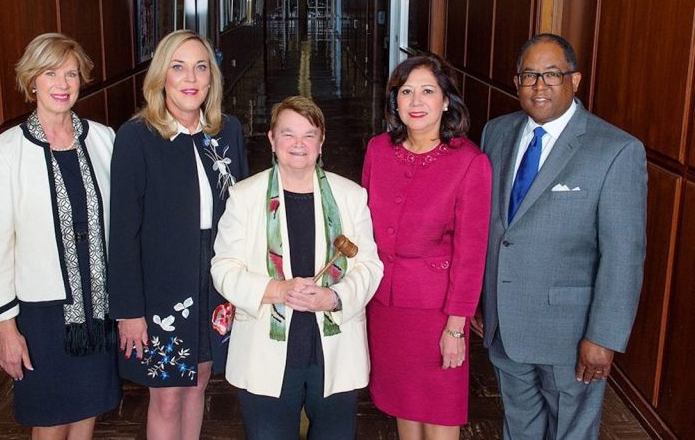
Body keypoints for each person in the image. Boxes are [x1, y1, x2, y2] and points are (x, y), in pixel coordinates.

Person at [473, 33, 647, 439]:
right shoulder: (496, 133)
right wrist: (480, 299)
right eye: (529, 75)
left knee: (571, 432)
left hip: (570, 335)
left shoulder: (615, 150)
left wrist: (603, 337)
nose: (539, 86)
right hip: (504, 324)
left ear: (575, 80)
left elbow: (624, 255)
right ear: (516, 82)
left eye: (552, 74)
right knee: (519, 427)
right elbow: (490, 227)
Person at [211, 96, 383, 440]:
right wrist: (278, 290)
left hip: (334, 351)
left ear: (321, 141)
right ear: (272, 139)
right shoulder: (244, 196)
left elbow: (369, 266)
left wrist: (334, 297)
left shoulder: (351, 196)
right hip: (264, 350)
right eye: (288, 134)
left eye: (309, 134)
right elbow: (224, 268)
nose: (298, 144)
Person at [0, 33, 121, 437]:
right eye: (50, 73)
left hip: (97, 306)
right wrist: (6, 328)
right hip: (41, 315)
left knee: (88, 411)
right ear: (32, 81)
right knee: (50, 422)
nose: (62, 84)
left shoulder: (104, 139)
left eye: (71, 74)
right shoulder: (5, 151)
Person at [108, 29, 248, 440]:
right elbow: (123, 233)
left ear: (211, 78)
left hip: (215, 278)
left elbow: (242, 213)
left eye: (200, 67)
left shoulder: (227, 131)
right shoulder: (137, 136)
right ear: (161, 77)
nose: (190, 78)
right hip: (162, 286)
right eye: (178, 67)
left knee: (200, 380)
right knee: (167, 395)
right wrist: (129, 311)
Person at [362, 54, 492, 439]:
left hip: (437, 311)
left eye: (428, 91)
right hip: (385, 306)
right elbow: (361, 226)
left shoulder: (470, 162)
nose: (416, 102)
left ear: (446, 101)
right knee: (403, 406)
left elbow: (471, 255)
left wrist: (456, 327)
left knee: (439, 411)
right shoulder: (378, 150)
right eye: (406, 92)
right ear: (395, 102)